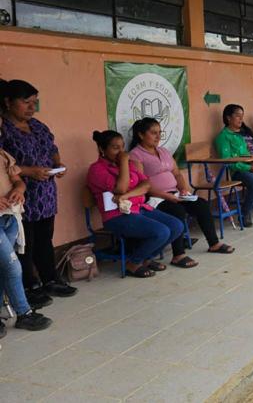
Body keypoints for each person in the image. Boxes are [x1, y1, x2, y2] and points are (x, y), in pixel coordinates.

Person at [0, 79, 74, 310]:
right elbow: (6, 164)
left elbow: (52, 148)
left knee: (44, 238)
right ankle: (29, 286)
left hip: (45, 194)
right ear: (8, 102)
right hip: (20, 195)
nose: (32, 108)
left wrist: (58, 165)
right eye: (26, 103)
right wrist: (30, 171)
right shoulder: (4, 130)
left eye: (35, 103)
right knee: (25, 243)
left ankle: (49, 279)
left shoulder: (38, 125)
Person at [129, 118, 234, 257]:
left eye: (160, 132)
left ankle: (214, 243)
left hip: (175, 193)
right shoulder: (135, 155)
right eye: (153, 133)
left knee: (201, 204)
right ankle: (178, 255)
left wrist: (183, 190)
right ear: (141, 135)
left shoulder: (164, 151)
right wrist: (168, 196)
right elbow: (142, 185)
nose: (158, 137)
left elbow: (177, 174)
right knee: (176, 211)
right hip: (154, 198)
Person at [87, 131, 183, 278]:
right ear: (102, 149)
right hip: (117, 216)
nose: (121, 152)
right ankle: (133, 263)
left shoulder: (129, 165)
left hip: (139, 208)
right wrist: (124, 163)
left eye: (122, 147)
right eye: (115, 148)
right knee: (161, 232)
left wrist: (126, 195)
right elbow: (120, 187)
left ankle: (146, 258)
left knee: (177, 226)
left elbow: (146, 185)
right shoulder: (97, 169)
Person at [0, 117, 52, 335]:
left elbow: (18, 179)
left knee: (3, 265)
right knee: (12, 265)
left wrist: (19, 189)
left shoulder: (2, 154)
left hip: (9, 217)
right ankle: (24, 312)